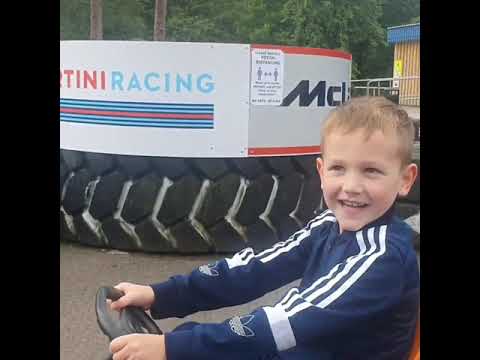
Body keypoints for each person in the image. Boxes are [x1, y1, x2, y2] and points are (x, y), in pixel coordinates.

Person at [109, 96, 420, 360]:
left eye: (371, 171)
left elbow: (288, 323)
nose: (351, 186)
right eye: (339, 168)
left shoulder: (382, 257)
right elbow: (255, 268)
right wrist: (160, 295)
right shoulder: (328, 225)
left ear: (405, 179)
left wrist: (172, 348)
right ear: (322, 171)